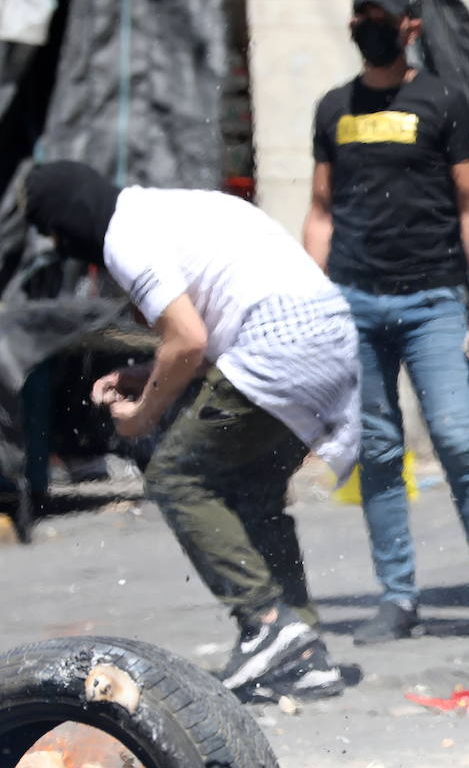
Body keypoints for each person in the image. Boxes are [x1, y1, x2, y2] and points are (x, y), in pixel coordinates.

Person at [23, 160, 361, 703]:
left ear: (70, 218)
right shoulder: (174, 208)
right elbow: (210, 329)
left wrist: (142, 414)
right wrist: (145, 375)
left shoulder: (125, 237)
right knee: (253, 496)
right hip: (329, 342)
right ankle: (305, 654)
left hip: (278, 348)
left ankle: (267, 623)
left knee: (179, 477)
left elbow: (187, 340)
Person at [304, 0, 469, 646]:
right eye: (360, 17)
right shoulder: (333, 108)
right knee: (377, 451)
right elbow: (321, 211)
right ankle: (397, 599)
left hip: (432, 300)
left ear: (410, 26)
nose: (366, 28)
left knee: (461, 443)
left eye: (379, 18)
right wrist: (310, 302)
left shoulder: (443, 101)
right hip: (353, 302)